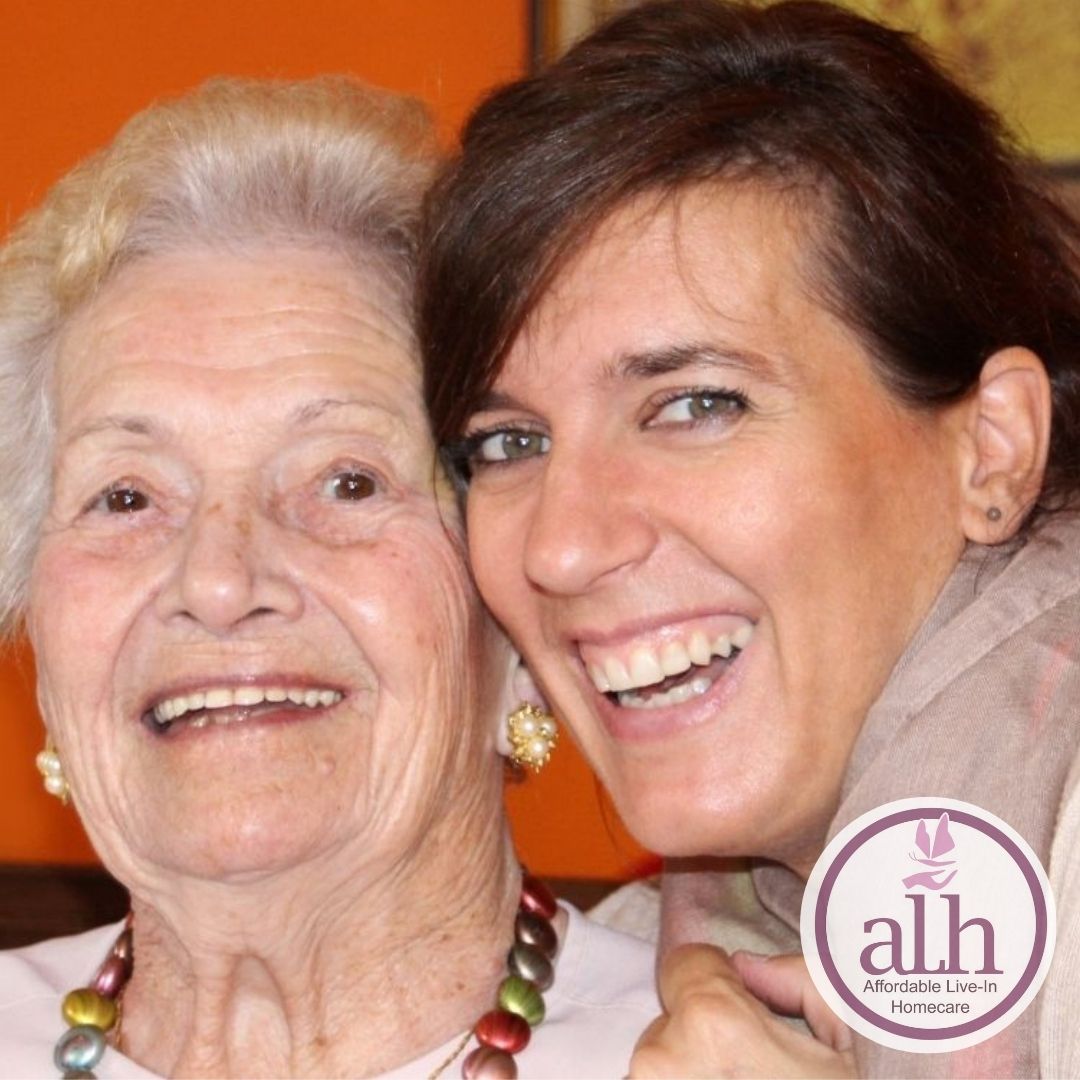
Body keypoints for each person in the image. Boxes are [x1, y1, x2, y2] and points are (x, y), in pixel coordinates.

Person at [418, 1, 1080, 1076]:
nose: (561, 548)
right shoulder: (655, 961)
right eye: (507, 443)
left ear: (992, 450)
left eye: (696, 405)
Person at [0, 76, 659, 1078]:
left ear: (518, 637)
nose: (220, 584)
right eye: (125, 497)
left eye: (347, 482)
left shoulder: (730, 1057)